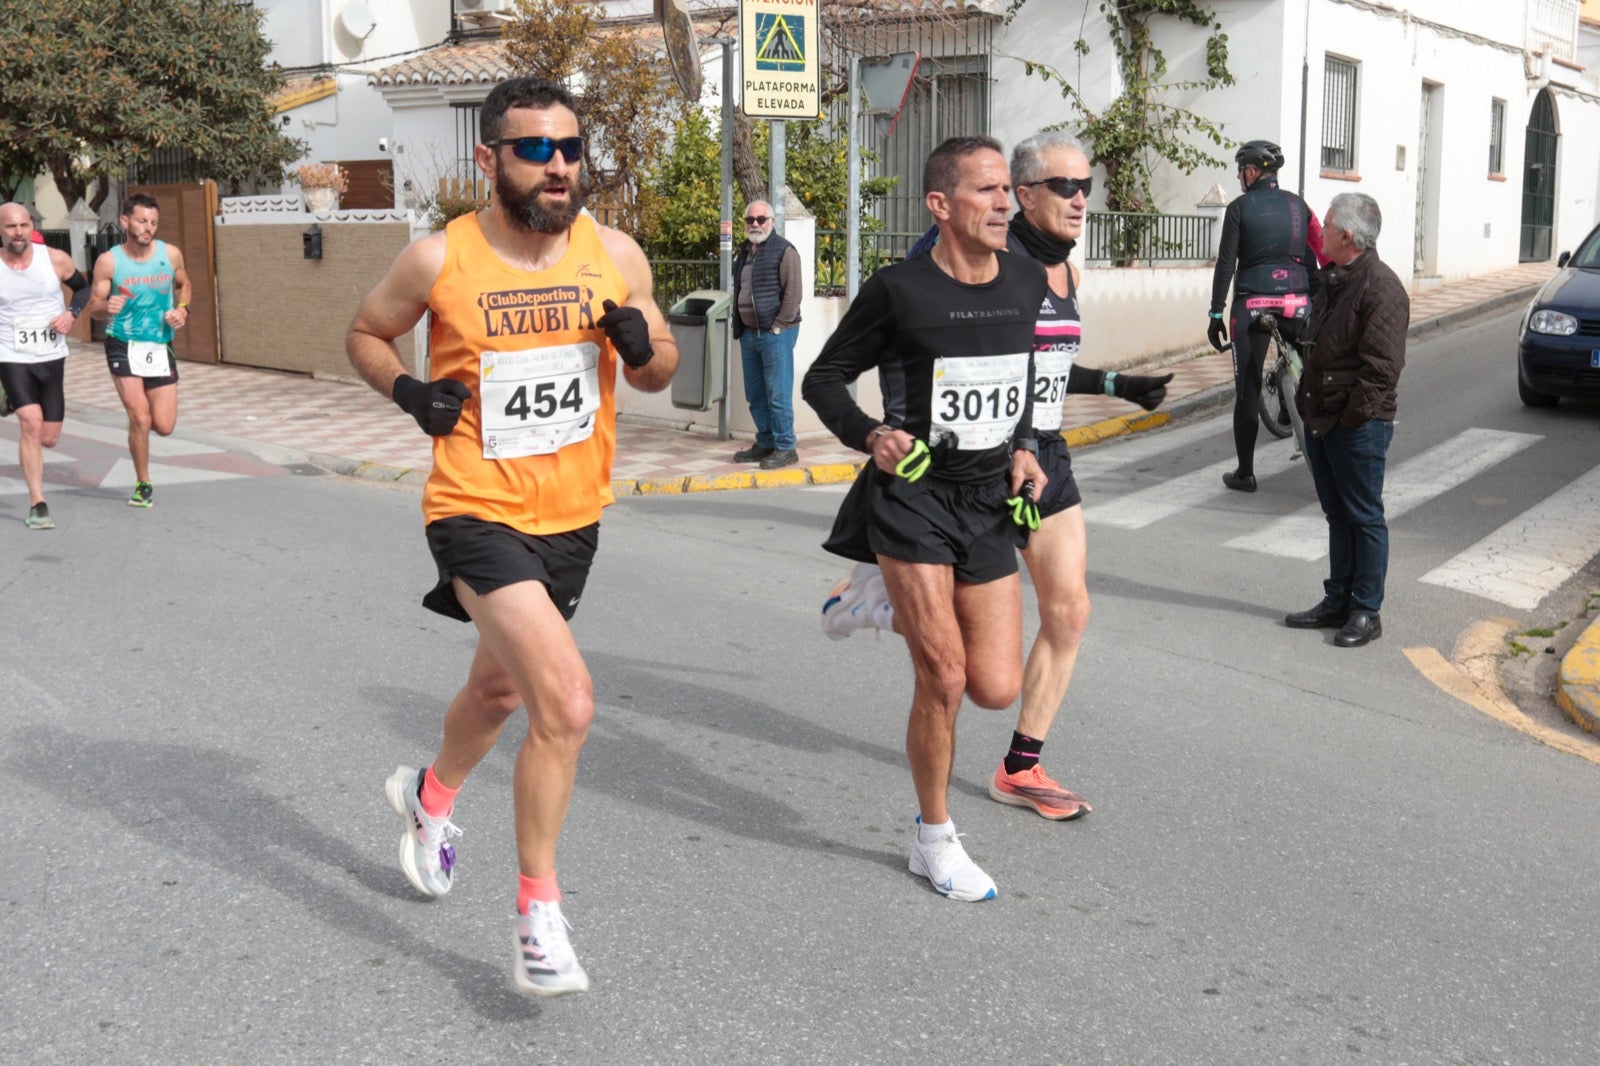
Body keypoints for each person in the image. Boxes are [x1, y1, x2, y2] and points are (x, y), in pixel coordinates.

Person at [345, 76, 679, 996]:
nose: (559, 166)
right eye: (536, 149)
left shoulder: (615, 254)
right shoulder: (436, 259)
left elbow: (658, 375)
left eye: (571, 148)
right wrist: (408, 392)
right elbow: (367, 334)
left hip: (573, 518)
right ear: (491, 159)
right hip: (473, 507)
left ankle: (428, 798)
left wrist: (640, 346)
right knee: (564, 703)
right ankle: (538, 914)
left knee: (496, 689)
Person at [821, 133, 1173, 822]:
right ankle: (883, 598)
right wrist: (893, 431)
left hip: (1037, 451)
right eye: (1063, 187)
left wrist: (1114, 382)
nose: (1080, 200)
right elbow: (920, 343)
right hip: (956, 467)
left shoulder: (1058, 273)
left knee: (1066, 613)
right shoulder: (973, 257)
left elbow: (1036, 361)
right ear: (1028, 192)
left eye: (1087, 186)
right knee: (956, 659)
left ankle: (1021, 764)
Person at [803, 136, 1050, 903]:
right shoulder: (899, 289)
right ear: (940, 205)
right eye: (986, 191)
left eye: (1007, 189)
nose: (1004, 203)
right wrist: (873, 434)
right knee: (942, 677)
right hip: (912, 497)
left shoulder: (1026, 277)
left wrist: (1026, 447)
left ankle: (873, 600)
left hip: (985, 502)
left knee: (995, 687)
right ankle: (933, 838)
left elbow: (1025, 377)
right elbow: (825, 377)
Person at [1285, 192, 1406, 648]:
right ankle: (1338, 599)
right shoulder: (1334, 277)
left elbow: (1382, 369)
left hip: (1356, 423)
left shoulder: (1381, 287)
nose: (1323, 232)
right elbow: (1319, 341)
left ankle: (1365, 610)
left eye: (1329, 224)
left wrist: (1353, 418)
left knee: (1364, 516)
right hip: (1323, 415)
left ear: (1347, 236)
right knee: (1338, 514)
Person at [1207, 139, 1324, 492]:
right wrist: (1316, 300)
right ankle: (1293, 412)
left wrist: (1215, 313)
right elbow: (1309, 257)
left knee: (1248, 388)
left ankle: (1245, 473)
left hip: (1252, 303)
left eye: (1241, 169)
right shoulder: (1297, 206)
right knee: (1312, 372)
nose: (1240, 176)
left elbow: (1227, 264)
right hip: (1297, 301)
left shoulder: (1239, 208)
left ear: (1253, 171)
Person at [86, 193, 193, 508]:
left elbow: (184, 285)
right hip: (123, 343)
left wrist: (183, 310)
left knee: (164, 425)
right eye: (142, 221)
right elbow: (93, 308)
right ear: (125, 221)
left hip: (159, 345)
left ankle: (139, 426)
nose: (149, 228)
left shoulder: (170, 254)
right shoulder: (110, 261)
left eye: (154, 222)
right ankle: (143, 482)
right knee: (141, 418)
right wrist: (108, 306)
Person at [0, 202, 91, 529]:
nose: (19, 232)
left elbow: (84, 289)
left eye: (23, 225)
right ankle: (38, 502)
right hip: (11, 356)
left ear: (31, 226)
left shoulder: (54, 259)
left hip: (51, 356)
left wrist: (71, 314)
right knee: (31, 423)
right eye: (11, 227)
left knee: (49, 437)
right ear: (1, 230)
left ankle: (14, 400)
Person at [730, 200, 802, 469]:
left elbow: (794, 294)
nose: (756, 224)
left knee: (778, 393)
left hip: (776, 334)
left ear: (771, 221)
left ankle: (786, 446)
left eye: (761, 219)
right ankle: (766, 441)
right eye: (750, 220)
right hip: (750, 334)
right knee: (756, 393)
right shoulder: (745, 252)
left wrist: (778, 326)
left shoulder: (784, 251)